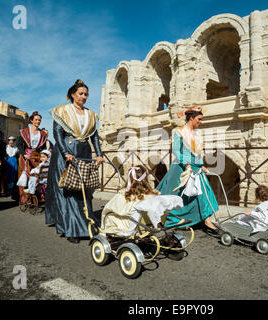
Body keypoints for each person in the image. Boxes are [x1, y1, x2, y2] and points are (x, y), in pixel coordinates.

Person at [45, 79, 104, 244]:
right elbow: (57, 133)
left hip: (83, 153)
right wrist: (65, 153)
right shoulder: (62, 111)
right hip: (66, 153)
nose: (84, 97)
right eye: (81, 94)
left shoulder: (91, 115)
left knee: (84, 190)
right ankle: (70, 228)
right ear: (72, 94)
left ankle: (87, 224)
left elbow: (94, 136)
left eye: (86, 94)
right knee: (69, 191)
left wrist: (99, 154)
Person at [156, 105, 221, 234]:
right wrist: (186, 164)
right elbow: (176, 150)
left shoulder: (197, 134)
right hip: (182, 167)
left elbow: (197, 153)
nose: (200, 122)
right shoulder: (179, 131)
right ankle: (176, 219)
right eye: (199, 119)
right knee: (178, 196)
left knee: (202, 194)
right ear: (191, 118)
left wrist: (201, 165)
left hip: (196, 167)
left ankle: (206, 221)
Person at [100, 165, 161, 236]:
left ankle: (106, 231)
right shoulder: (152, 194)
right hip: (148, 225)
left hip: (129, 225)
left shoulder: (124, 195)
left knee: (109, 213)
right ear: (145, 179)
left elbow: (108, 208)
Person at [16, 111, 49, 206]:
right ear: (31, 120)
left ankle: (37, 197)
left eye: (39, 120)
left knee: (37, 175)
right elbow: (19, 144)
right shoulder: (25, 131)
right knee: (25, 176)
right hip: (26, 156)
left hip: (37, 156)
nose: (38, 121)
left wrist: (44, 155)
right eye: (36, 120)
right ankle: (25, 199)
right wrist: (23, 154)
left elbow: (42, 147)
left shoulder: (42, 133)